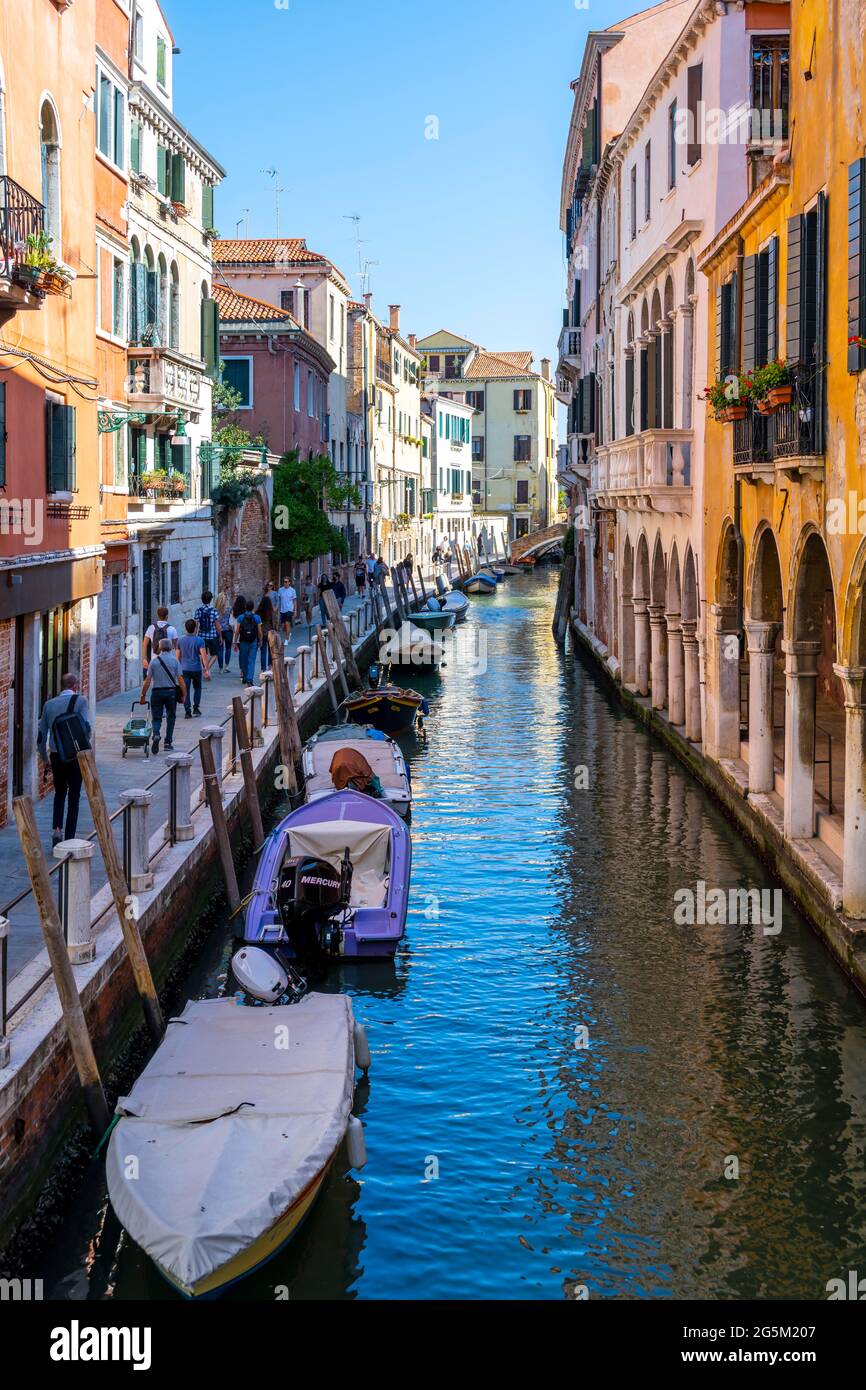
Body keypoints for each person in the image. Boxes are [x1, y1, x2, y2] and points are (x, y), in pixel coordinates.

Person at [37, 674, 91, 845]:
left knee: (59, 793)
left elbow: (41, 736)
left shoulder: (49, 704)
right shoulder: (81, 701)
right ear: (74, 685)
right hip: (75, 756)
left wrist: (45, 760)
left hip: (56, 755)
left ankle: (56, 830)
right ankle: (69, 838)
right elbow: (87, 730)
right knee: (74, 797)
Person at [140, 639, 186, 755]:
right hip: (171, 693)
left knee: (156, 717)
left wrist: (143, 695)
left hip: (157, 692)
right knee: (171, 717)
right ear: (171, 648)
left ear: (159, 648)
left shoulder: (154, 662)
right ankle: (168, 743)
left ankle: (156, 734)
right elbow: (181, 680)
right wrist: (184, 694)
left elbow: (147, 681)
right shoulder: (175, 661)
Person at [178, 618, 210, 717]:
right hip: (196, 668)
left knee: (185, 689)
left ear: (186, 628)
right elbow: (204, 656)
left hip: (184, 669)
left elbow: (177, 656)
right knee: (197, 688)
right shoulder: (200, 640)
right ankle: (196, 708)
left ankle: (187, 711)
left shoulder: (180, 640)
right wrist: (207, 670)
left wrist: (177, 669)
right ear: (195, 628)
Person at [234, 599, 262, 685]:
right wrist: (260, 641)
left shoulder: (241, 617)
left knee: (243, 659)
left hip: (243, 641)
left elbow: (237, 631)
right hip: (253, 641)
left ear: (246, 607)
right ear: (253, 607)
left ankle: (245, 677)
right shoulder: (257, 618)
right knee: (251, 660)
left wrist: (235, 641)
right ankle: (249, 679)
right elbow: (259, 632)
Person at [143, 607, 178, 674]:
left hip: (154, 661)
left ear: (158, 615)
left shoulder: (151, 628)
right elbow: (176, 647)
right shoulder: (172, 629)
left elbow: (144, 644)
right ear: (167, 616)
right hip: (168, 663)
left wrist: (144, 659)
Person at [194, 591, 222, 668]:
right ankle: (207, 669)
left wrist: (194, 636)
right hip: (212, 636)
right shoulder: (214, 610)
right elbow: (217, 625)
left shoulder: (198, 610)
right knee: (214, 654)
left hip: (201, 636)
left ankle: (206, 669)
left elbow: (196, 625)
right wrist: (220, 636)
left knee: (203, 654)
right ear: (210, 600)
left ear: (202, 599)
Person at [215, 592, 234, 672]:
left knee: (220, 649)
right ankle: (226, 666)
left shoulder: (215, 610)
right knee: (228, 648)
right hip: (228, 630)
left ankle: (220, 668)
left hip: (219, 630)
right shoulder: (229, 608)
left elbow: (216, 621)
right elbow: (232, 619)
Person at [257, 593, 276, 672]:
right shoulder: (270, 612)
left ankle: (263, 668)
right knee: (270, 650)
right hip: (269, 633)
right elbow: (273, 623)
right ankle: (270, 666)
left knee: (263, 651)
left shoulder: (258, 613)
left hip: (261, 632)